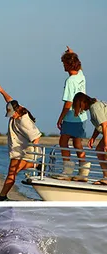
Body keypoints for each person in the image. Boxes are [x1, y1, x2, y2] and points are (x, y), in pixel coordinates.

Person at [0, 84, 42, 201]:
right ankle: (37, 166)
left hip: (22, 150)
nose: (12, 116)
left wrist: (34, 155)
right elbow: (10, 100)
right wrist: (2, 91)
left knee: (12, 172)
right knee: (14, 171)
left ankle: (2, 196)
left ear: (17, 111)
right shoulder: (18, 107)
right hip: (18, 149)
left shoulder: (24, 121)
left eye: (12, 114)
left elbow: (36, 137)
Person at [56, 46, 90, 180]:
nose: (63, 66)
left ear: (69, 65)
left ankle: (67, 170)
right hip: (82, 117)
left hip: (71, 116)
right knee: (77, 143)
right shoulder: (81, 76)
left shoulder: (70, 81)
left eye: (64, 63)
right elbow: (79, 67)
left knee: (63, 141)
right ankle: (83, 170)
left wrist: (60, 119)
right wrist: (72, 53)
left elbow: (68, 103)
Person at [73, 92, 107, 185]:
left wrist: (106, 143)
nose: (81, 109)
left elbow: (104, 125)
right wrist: (93, 138)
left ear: (83, 102)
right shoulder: (94, 107)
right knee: (99, 150)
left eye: (79, 106)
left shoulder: (95, 107)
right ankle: (106, 176)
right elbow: (99, 125)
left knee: (103, 151)